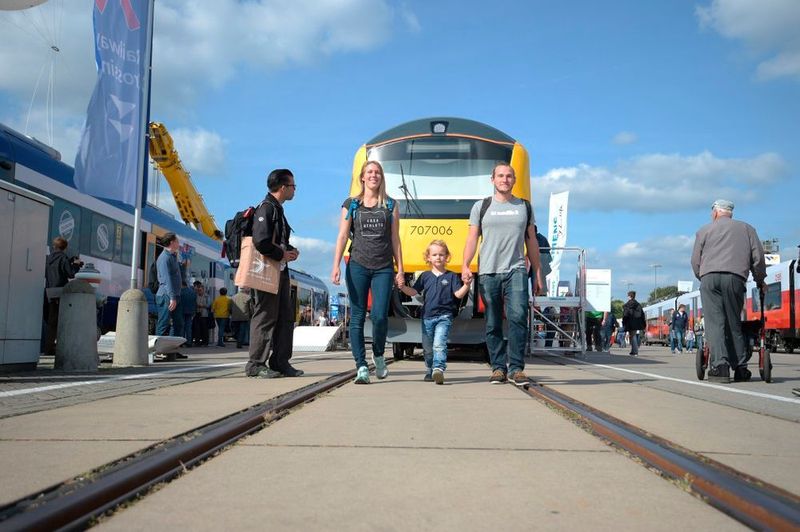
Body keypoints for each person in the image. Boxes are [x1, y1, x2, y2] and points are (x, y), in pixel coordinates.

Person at [461, 162, 543, 385]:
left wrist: (537, 272)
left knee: (518, 317)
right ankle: (498, 367)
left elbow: (531, 241)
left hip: (515, 269)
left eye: (509, 176)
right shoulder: (482, 206)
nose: (504, 179)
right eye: (500, 176)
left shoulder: (524, 207)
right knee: (493, 322)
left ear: (514, 180)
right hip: (488, 272)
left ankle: (516, 368)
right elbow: (472, 238)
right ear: (493, 180)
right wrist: (465, 264)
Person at [331, 160, 404, 384]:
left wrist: (400, 268)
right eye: (369, 172)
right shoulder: (351, 204)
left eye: (377, 173)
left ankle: (379, 355)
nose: (373, 175)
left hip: (383, 268)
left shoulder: (391, 205)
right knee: (358, 316)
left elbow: (395, 239)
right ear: (362, 177)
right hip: (358, 266)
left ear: (381, 177)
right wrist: (335, 266)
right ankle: (361, 365)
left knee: (380, 316)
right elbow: (343, 236)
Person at [691, 199, 766, 383]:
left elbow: (695, 261)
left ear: (715, 213)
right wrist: (759, 279)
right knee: (734, 322)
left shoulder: (704, 230)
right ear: (730, 213)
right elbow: (758, 258)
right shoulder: (747, 229)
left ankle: (720, 367)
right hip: (735, 278)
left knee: (715, 324)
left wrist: (703, 276)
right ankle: (740, 368)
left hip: (709, 278)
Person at [245, 169, 303, 378]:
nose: (295, 190)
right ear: (283, 187)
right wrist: (282, 254)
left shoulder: (277, 209)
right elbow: (260, 241)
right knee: (265, 316)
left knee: (285, 318)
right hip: (267, 271)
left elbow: (274, 239)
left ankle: (280, 361)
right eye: (293, 186)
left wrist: (289, 250)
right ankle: (255, 364)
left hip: (278, 271)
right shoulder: (267, 209)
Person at [399, 240, 472, 384]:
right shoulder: (425, 276)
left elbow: (458, 294)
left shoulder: (451, 276)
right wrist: (402, 288)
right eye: (434, 254)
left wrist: (467, 285)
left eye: (441, 254)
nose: (438, 257)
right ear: (428, 258)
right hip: (427, 317)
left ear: (447, 257)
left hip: (444, 316)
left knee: (439, 343)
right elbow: (414, 291)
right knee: (427, 347)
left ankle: (438, 369)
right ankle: (430, 369)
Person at [43, 236, 83, 356]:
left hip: (49, 291)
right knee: (63, 321)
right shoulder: (63, 258)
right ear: (65, 247)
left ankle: (49, 347)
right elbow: (70, 274)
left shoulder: (48, 258)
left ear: (54, 246)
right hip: (60, 292)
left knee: (51, 321)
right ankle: (58, 347)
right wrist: (76, 265)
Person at [155, 232, 184, 338]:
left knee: (178, 324)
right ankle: (158, 350)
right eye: (177, 241)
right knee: (163, 323)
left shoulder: (173, 257)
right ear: (172, 242)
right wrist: (172, 297)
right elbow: (166, 279)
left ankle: (172, 350)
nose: (179, 244)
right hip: (167, 295)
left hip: (175, 295)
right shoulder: (164, 258)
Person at [622, 291, 646, 356]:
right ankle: (633, 351)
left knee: (633, 336)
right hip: (636, 323)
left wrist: (624, 323)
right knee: (633, 336)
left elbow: (625, 314)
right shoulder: (638, 304)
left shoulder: (627, 305)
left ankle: (635, 351)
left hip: (629, 322)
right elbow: (642, 315)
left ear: (629, 296)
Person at [193, 281, 210, 346]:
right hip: (197, 314)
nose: (199, 291)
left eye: (200, 290)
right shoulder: (195, 296)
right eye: (198, 290)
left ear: (203, 290)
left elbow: (208, 305)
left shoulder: (207, 296)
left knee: (204, 329)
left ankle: (205, 342)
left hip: (204, 315)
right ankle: (197, 342)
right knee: (197, 329)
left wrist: (202, 306)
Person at [180, 281, 196, 347]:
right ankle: (189, 342)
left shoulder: (181, 291)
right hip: (190, 311)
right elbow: (195, 302)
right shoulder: (192, 292)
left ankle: (181, 342)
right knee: (188, 328)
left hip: (182, 311)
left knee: (182, 327)